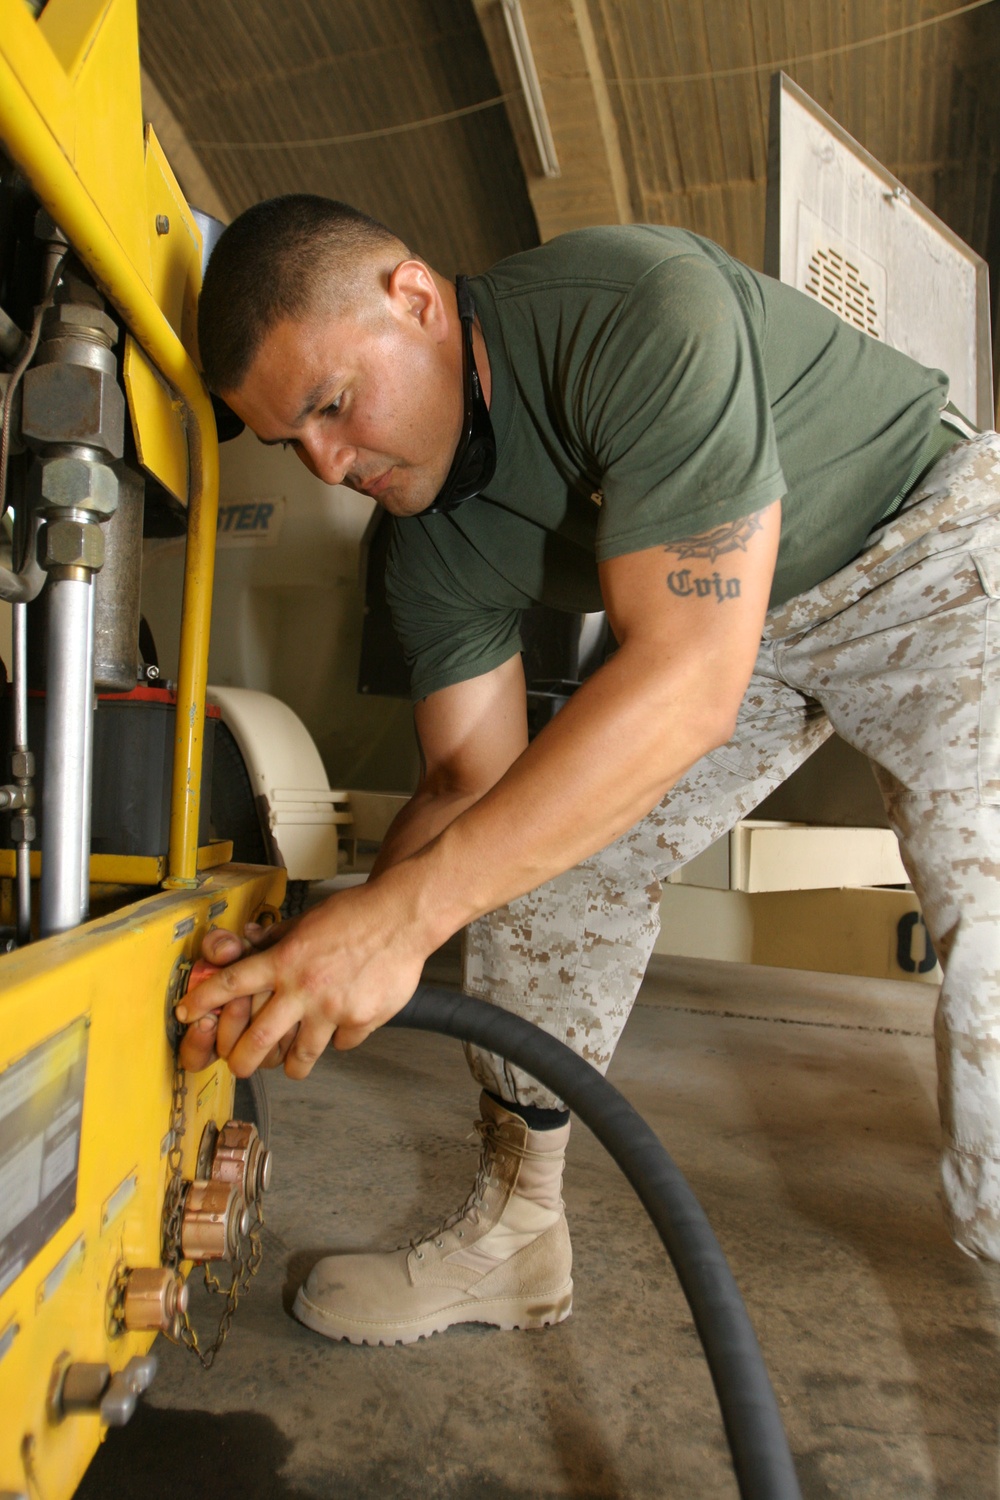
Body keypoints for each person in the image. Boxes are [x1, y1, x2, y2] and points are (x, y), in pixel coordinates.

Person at [178, 193, 1000, 1345]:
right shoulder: (425, 542)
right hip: (739, 622)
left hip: (925, 546)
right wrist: (330, 934)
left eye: (332, 406)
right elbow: (475, 785)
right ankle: (514, 1243)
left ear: (413, 298)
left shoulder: (628, 312)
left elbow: (687, 683)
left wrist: (404, 923)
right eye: (289, 442)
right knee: (540, 856)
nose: (325, 464)